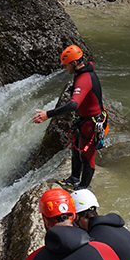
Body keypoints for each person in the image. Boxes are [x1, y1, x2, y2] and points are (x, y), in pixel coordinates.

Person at [32, 44, 106, 191]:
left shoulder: (84, 78)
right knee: (75, 149)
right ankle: (74, 179)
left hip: (92, 123)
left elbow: (73, 105)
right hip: (83, 121)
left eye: (66, 66)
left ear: (74, 63)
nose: (65, 69)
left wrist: (48, 114)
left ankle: (84, 188)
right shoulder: (82, 74)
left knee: (87, 157)